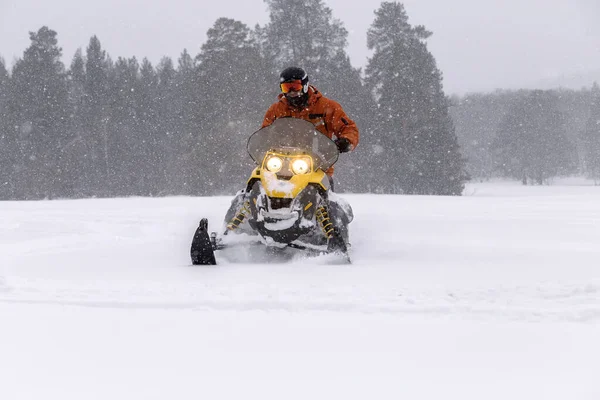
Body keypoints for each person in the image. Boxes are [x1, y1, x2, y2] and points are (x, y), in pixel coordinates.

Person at [262, 66, 359, 182]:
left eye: (295, 87)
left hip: (318, 166)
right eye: (286, 88)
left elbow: (348, 127)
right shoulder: (276, 109)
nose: (291, 92)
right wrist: (263, 145)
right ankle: (248, 199)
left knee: (324, 194)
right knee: (257, 181)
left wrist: (346, 141)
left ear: (305, 85)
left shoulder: (327, 107)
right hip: (280, 165)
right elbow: (265, 131)